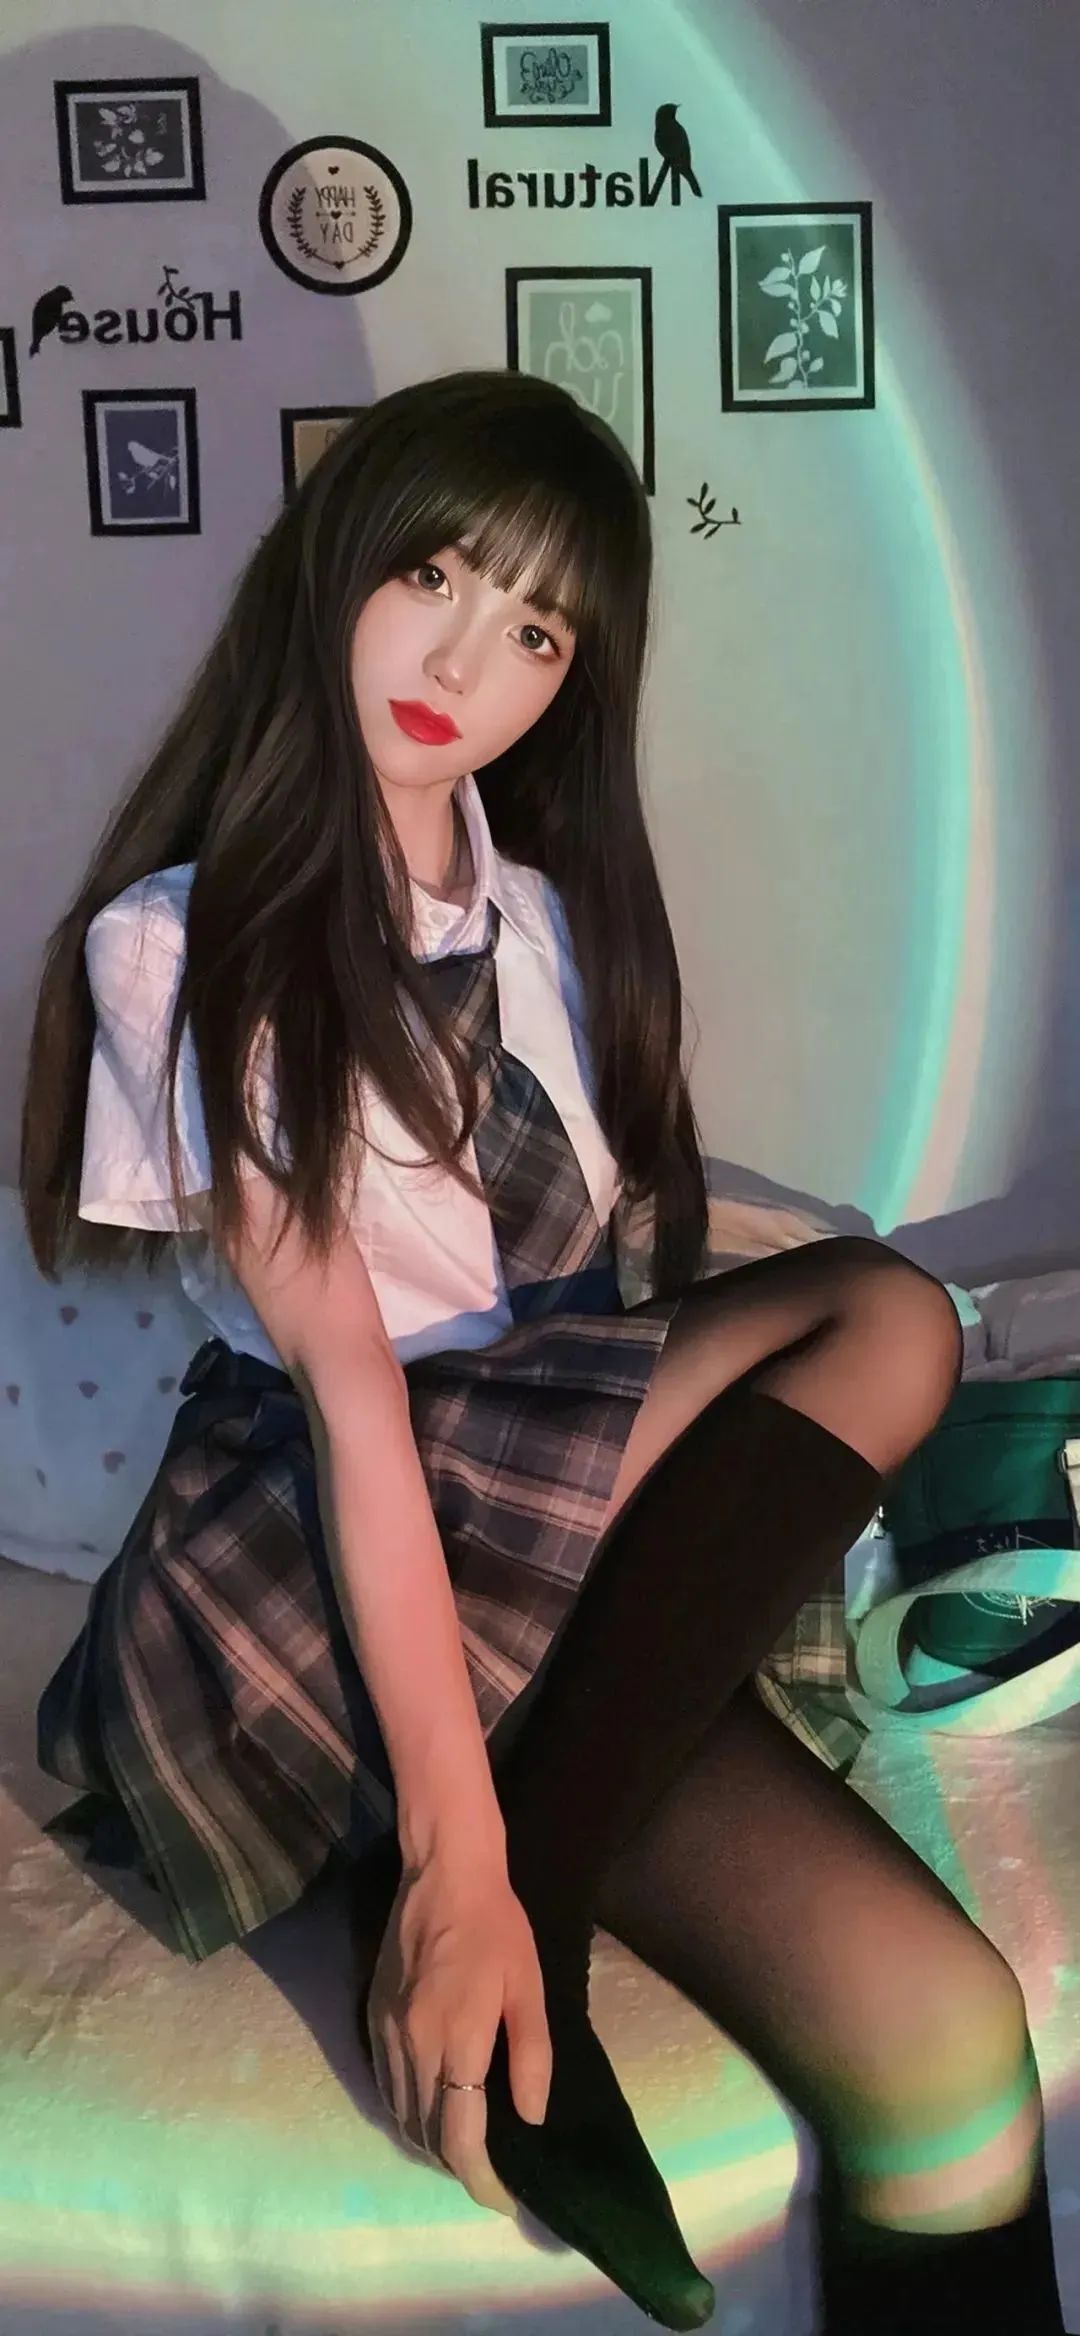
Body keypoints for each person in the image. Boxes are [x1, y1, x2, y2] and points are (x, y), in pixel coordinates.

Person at [19, 368, 1070, 2335]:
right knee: (884, 1310)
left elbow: (591, 1290)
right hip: (330, 1542)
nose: (463, 663)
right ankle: (504, 1880)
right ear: (334, 565)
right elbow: (354, 1396)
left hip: (560, 1532)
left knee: (946, 2037)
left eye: (536, 630)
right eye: (433, 574)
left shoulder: (546, 924)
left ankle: (549, 1880)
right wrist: (455, 1865)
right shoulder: (180, 941)